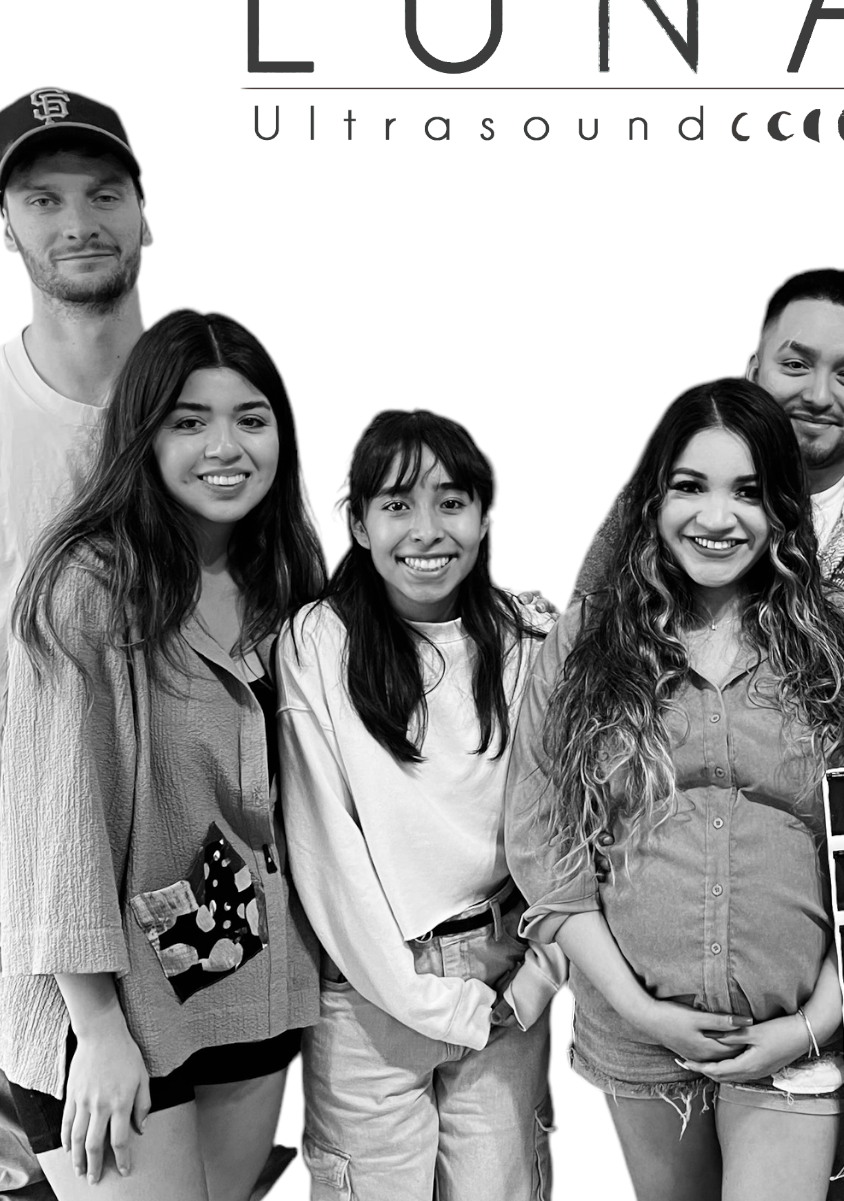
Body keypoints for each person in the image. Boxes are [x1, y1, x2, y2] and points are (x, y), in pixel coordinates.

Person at [507, 379, 844, 1201]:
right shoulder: (587, 641)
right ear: (653, 497)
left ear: (784, 513)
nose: (717, 518)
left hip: (795, 1035)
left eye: (749, 493)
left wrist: (811, 1024)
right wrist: (640, 1010)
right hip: (637, 1035)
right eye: (690, 486)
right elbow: (545, 846)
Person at [0, 310, 327, 1200]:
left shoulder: (289, 576)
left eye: (252, 418)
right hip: (102, 1006)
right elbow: (59, 837)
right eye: (189, 420)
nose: (226, 446)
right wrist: (97, 1030)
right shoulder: (87, 589)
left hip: (243, 980)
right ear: (142, 434)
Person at [0, 87, 150, 1200]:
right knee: (2, 1175)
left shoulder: (209, 408)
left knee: (153, 1160)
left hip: (163, 849)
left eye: (104, 192)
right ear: (7, 228)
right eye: (42, 198)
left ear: (148, 212)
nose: (77, 220)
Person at [575, 269, 844, 829]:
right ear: (754, 372)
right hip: (678, 862)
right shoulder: (661, 506)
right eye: (795, 365)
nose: (820, 395)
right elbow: (585, 659)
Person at [277, 410, 564, 1201]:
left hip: (504, 978)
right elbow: (324, 850)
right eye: (397, 504)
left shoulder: (528, 643)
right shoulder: (317, 644)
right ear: (360, 525)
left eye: (452, 501)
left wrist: (537, 978)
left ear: (482, 517)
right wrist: (428, 999)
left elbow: (570, 830)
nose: (426, 530)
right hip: (372, 993)